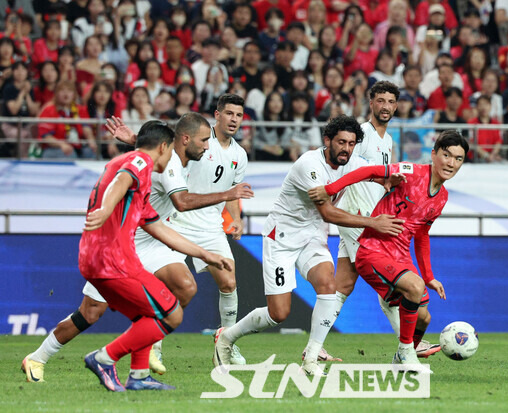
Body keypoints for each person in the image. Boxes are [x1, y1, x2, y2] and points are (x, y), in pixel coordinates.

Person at [21, 114, 254, 383]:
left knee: (183, 288)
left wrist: (204, 254)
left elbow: (154, 221)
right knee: (91, 312)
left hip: (146, 244)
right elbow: (168, 195)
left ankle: (141, 366)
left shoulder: (162, 159)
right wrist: (105, 209)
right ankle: (42, 357)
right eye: (204, 140)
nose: (208, 146)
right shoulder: (154, 163)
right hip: (117, 250)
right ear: (182, 141)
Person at [213, 115, 405, 376]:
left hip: (313, 236)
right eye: (341, 142)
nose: (346, 148)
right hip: (281, 237)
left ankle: (311, 358)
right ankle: (226, 337)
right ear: (327, 141)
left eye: (351, 143)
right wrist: (373, 222)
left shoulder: (351, 163)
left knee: (328, 286)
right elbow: (327, 213)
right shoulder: (309, 164)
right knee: (279, 313)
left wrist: (396, 178)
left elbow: (379, 172)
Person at [308, 130, 469, 368]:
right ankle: (406, 352)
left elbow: (422, 234)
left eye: (458, 159)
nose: (451, 163)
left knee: (424, 318)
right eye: (447, 155)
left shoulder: (441, 197)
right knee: (414, 288)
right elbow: (368, 172)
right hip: (374, 249)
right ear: (434, 154)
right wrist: (330, 190)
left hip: (400, 256)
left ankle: (403, 357)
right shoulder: (412, 172)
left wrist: (429, 276)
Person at [327, 81, 441, 361]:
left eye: (391, 101)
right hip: (362, 218)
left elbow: (376, 176)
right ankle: (410, 347)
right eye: (380, 100)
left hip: (370, 216)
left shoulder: (387, 140)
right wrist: (334, 193)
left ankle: (314, 347)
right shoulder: (362, 134)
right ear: (371, 102)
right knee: (393, 286)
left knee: (343, 285)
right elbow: (348, 167)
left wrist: (389, 182)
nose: (386, 107)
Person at [166, 94, 251, 365]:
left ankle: (225, 343)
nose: (234, 119)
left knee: (229, 281)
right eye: (229, 114)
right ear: (217, 115)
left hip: (211, 225)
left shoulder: (240, 154)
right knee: (170, 285)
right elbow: (166, 149)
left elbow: (231, 195)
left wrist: (235, 218)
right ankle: (153, 344)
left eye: (238, 115)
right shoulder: (199, 140)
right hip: (179, 219)